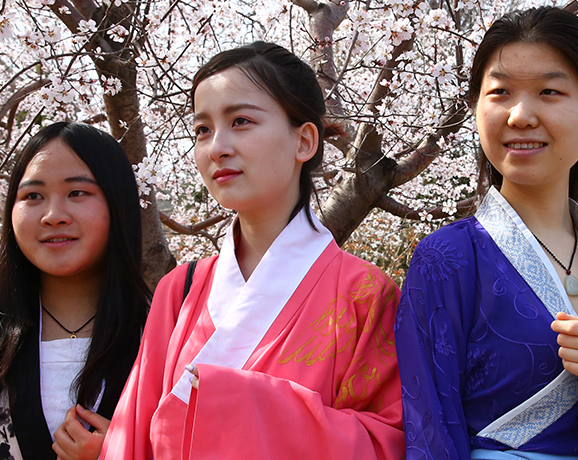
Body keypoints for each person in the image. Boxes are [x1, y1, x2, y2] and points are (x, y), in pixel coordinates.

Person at [395, 7, 578, 459]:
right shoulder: (447, 258)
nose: (519, 115)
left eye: (549, 91)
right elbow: (429, 426)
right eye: (500, 92)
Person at [99, 42, 403, 460]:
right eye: (202, 130)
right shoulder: (179, 290)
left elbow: (387, 443)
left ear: (304, 141)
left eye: (240, 121)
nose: (216, 147)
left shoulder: (365, 294)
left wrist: (235, 400)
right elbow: (131, 441)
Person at [0, 122, 151, 460]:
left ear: (119, 204)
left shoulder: (167, 333)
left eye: (77, 193)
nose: (53, 215)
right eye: (33, 196)